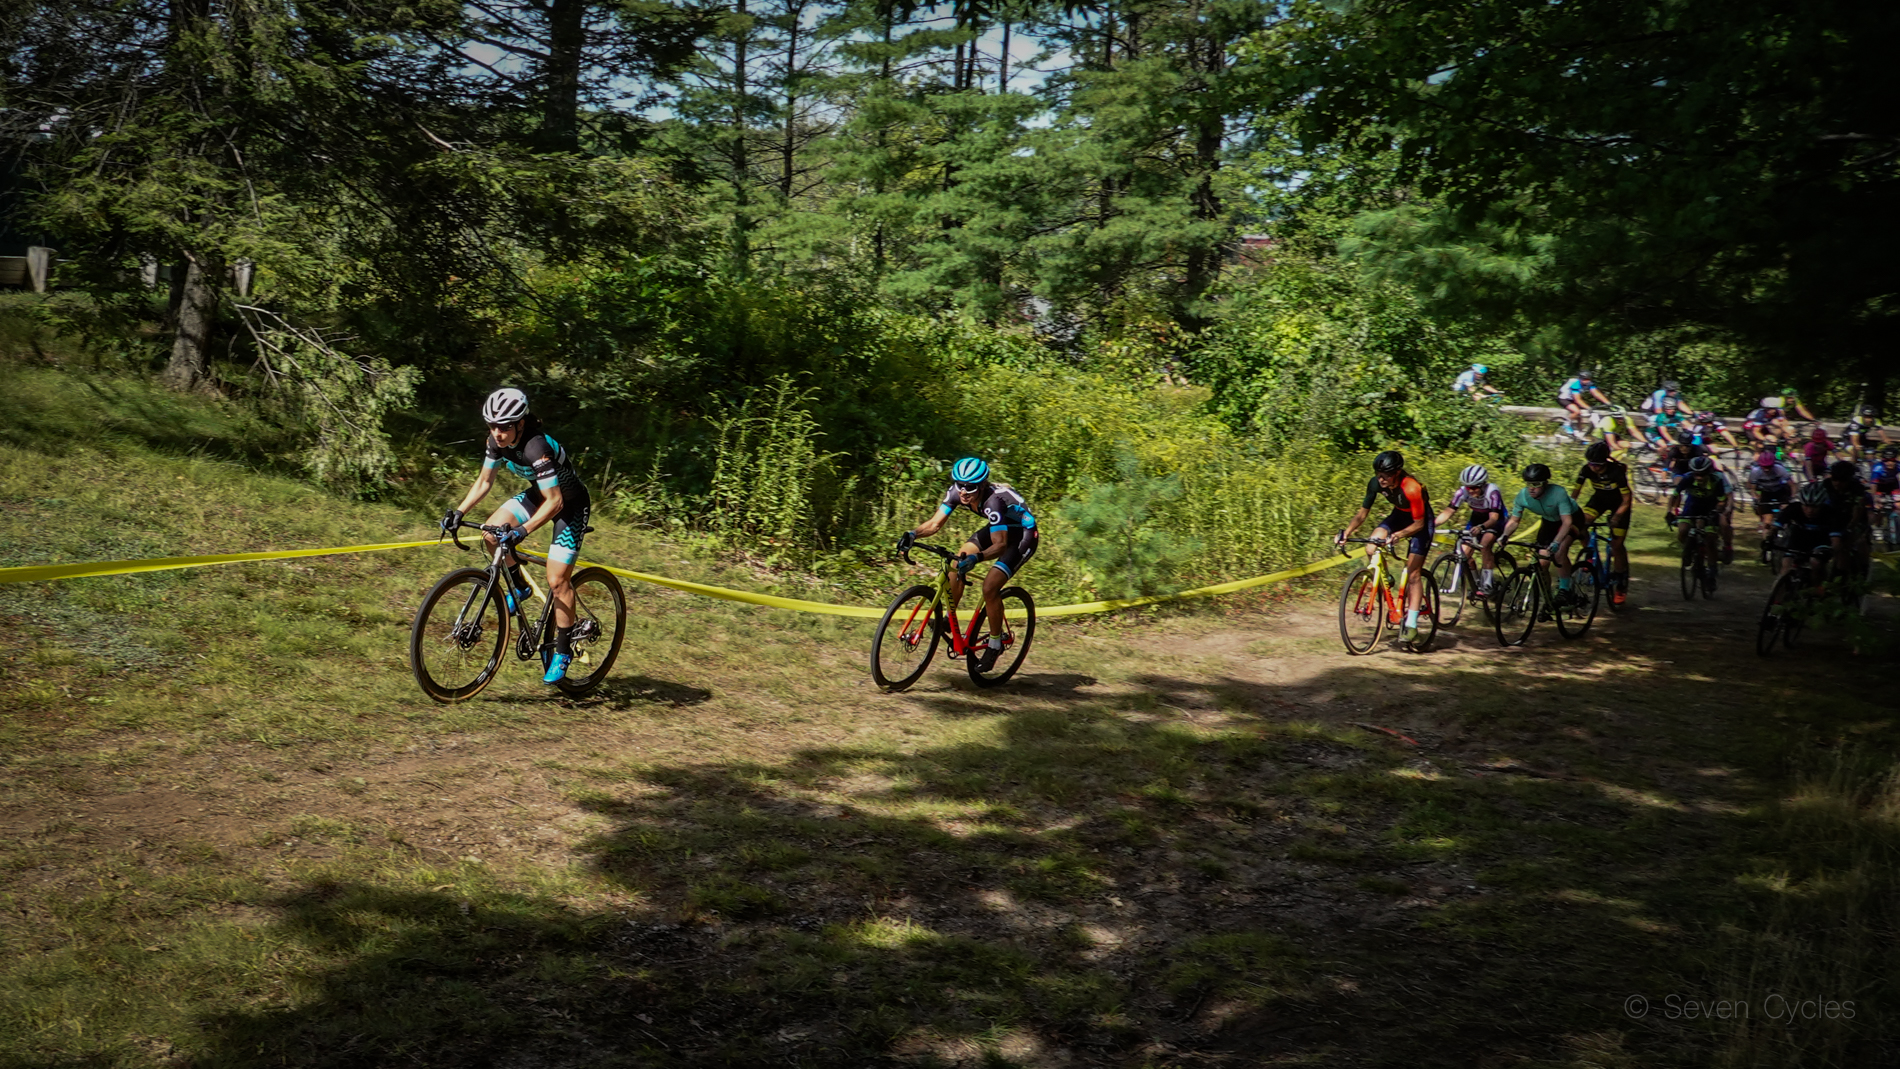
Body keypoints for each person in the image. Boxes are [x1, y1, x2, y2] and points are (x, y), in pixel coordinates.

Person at [443, 387, 594, 685]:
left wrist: (522, 531)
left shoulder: (537, 448)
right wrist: (458, 511)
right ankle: (521, 587)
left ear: (521, 423)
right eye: (492, 426)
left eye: (505, 426)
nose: (497, 433)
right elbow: (485, 480)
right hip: (541, 495)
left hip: (570, 504)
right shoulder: (495, 441)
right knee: (490, 533)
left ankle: (563, 650)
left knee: (557, 580)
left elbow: (556, 502)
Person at [899, 457, 1040, 672]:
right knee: (957, 561)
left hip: (1023, 535)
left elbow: (1000, 545)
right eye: (960, 485)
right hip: (1001, 527)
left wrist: (977, 558)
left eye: (970, 487)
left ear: (982, 485)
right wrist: (913, 534)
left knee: (990, 587)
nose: (964, 492)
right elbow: (935, 523)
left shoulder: (994, 501)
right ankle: (949, 620)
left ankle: (995, 643)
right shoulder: (956, 492)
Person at [1335, 450, 1434, 645]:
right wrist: (1347, 532)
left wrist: (1398, 535)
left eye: (1385, 475)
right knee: (1372, 545)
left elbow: (1419, 525)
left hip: (1420, 522)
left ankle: (1411, 625)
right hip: (1399, 515)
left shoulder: (1412, 488)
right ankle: (1385, 578)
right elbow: (1362, 514)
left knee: (1413, 573)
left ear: (1397, 473)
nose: (1380, 479)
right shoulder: (1375, 483)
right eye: (1378, 474)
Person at [1500, 462, 1582, 601]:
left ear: (1545, 483)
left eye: (1536, 484)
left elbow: (1567, 522)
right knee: (1542, 562)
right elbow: (1514, 521)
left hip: (1572, 519)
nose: (1531, 488)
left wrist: (1556, 542)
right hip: (1549, 522)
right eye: (1529, 484)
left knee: (1559, 551)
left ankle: (1565, 589)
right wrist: (1504, 535)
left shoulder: (1558, 493)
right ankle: (1548, 600)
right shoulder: (1522, 496)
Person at [1571, 441, 1634, 606]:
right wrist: (1568, 509)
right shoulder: (1586, 470)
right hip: (1599, 500)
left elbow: (1627, 499)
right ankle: (1589, 555)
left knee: (1616, 545)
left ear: (1605, 461)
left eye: (1598, 465)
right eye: (1591, 464)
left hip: (1619, 505)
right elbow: (1575, 493)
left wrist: (1617, 517)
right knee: (1580, 523)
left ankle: (1620, 583)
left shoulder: (1616, 472)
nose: (1594, 468)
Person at [1433, 464, 1507, 595]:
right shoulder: (1462, 492)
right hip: (1476, 518)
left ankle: (1488, 584)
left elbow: (1494, 518)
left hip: (1495, 519)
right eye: (1468, 487)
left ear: (1483, 484)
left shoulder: (1492, 491)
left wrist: (1482, 527)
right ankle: (1477, 582)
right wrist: (1432, 525)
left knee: (1485, 544)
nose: (1471, 491)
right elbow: (1448, 512)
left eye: (1475, 487)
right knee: (1464, 554)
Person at [1667, 455, 1735, 567]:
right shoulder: (1688, 478)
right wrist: (1669, 511)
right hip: (1692, 506)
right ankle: (1692, 550)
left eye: (1702, 474)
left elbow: (1723, 500)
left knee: (1710, 540)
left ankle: (1712, 571)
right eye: (1696, 474)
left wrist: (1720, 510)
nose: (1699, 478)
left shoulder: (1717, 480)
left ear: (1708, 472)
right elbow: (1675, 495)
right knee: (1683, 531)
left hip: (1710, 508)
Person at [1771, 482, 1841, 583]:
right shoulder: (1794, 508)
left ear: (1822, 504)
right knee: (1785, 568)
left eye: (1814, 507)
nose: (1809, 511)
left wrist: (1834, 551)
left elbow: (1836, 540)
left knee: (1816, 563)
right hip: (1797, 541)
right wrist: (1770, 536)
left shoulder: (1830, 514)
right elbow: (1776, 526)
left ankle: (1817, 591)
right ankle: (1778, 597)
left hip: (1820, 543)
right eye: (1806, 506)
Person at [1744, 450, 1795, 543]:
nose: (1767, 469)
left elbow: (1792, 485)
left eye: (1769, 466)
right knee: (1767, 521)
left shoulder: (1779, 469)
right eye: (1764, 467)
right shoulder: (1755, 471)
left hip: (1781, 490)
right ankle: (1766, 544)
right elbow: (1752, 489)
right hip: (1766, 492)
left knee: (1787, 510)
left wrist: (1792, 497)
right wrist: (1755, 497)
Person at [1557, 370, 1612, 438]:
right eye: (1585, 379)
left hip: (1572, 398)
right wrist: (1588, 407)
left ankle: (1579, 435)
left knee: (1580, 417)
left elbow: (1596, 394)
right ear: (1580, 379)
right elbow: (1578, 400)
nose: (1587, 381)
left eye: (1588, 379)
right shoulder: (1575, 384)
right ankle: (1565, 426)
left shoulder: (1589, 383)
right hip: (1563, 398)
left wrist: (1607, 402)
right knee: (1576, 411)